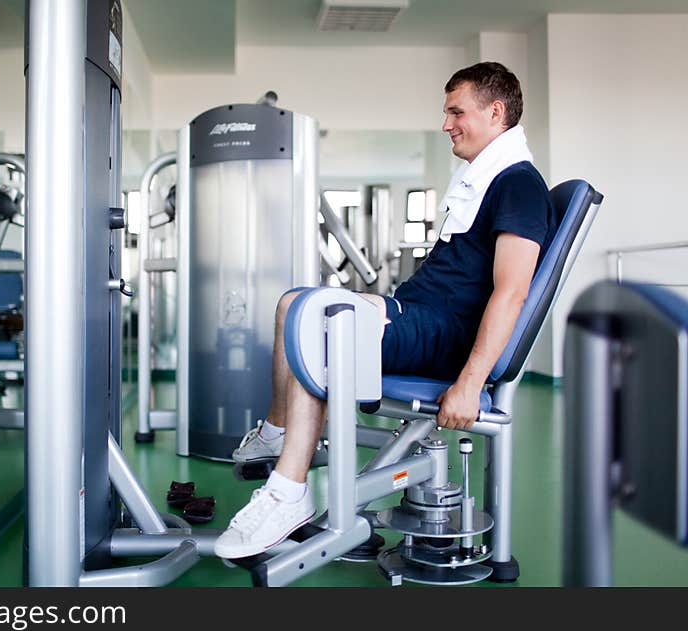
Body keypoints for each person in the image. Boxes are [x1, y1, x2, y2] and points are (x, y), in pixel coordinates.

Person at [213, 62, 555, 560]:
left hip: (445, 337)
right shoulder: (483, 178)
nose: (446, 124)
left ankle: (288, 493)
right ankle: (276, 433)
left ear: (495, 111)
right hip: (418, 314)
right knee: (295, 304)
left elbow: (512, 294)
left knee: (320, 321)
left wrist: (469, 383)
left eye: (456, 111)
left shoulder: (518, 183)